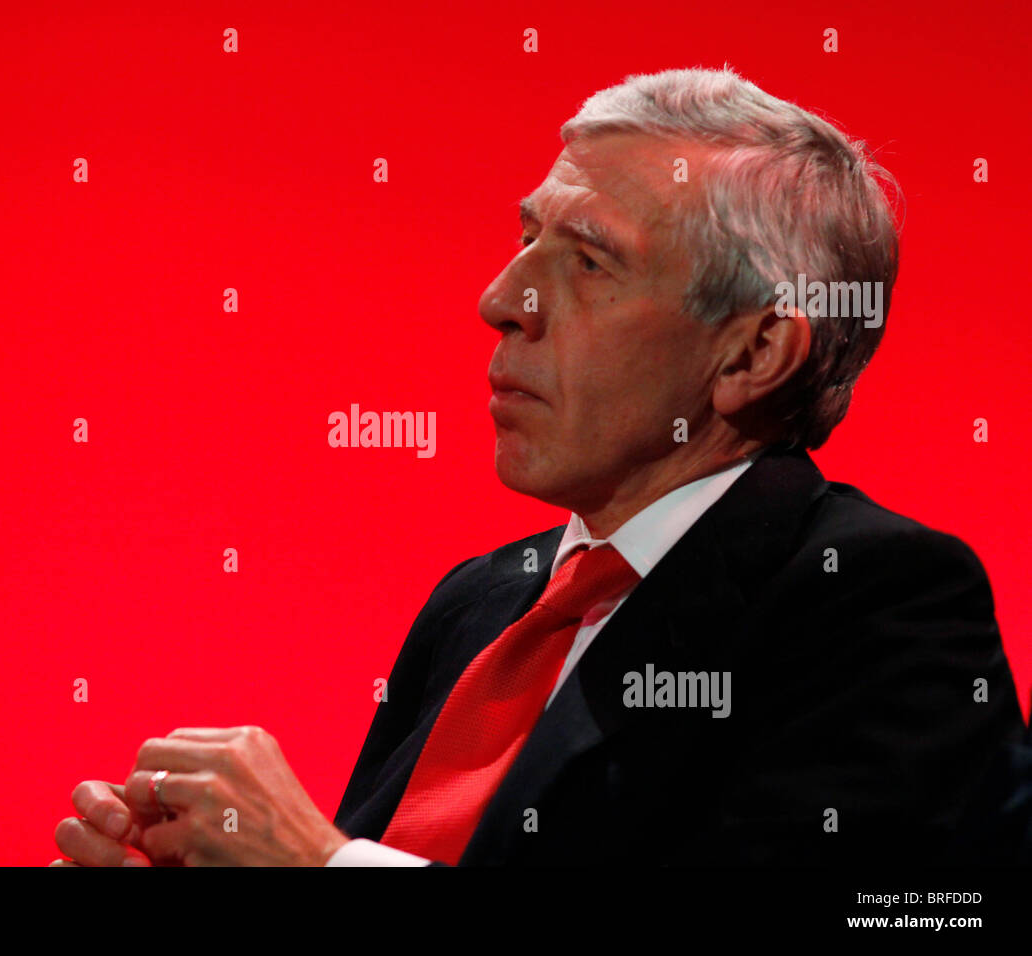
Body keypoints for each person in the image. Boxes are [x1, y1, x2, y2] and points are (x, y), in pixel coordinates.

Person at [51, 67, 1027, 867]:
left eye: (589, 260)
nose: (499, 297)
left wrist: (318, 864)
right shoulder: (479, 602)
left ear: (751, 353)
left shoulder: (876, 602)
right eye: (527, 238)